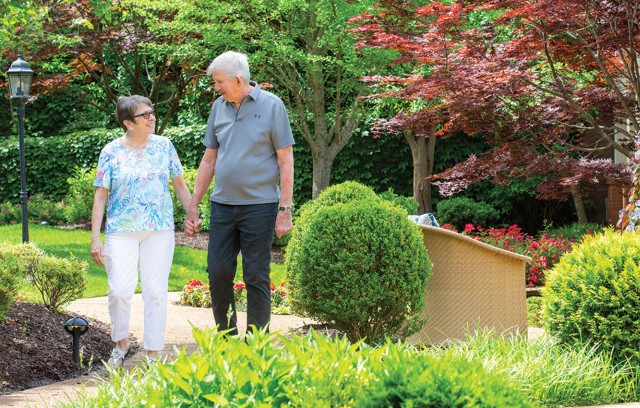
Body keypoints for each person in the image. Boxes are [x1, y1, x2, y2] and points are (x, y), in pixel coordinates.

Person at [184, 51, 294, 336]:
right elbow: (209, 160)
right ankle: (226, 336)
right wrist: (193, 206)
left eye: (219, 81)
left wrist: (285, 210)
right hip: (222, 205)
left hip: (260, 206)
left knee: (256, 274)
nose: (216, 87)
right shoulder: (218, 108)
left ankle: (256, 343)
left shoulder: (272, 106)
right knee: (218, 272)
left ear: (238, 79)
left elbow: (286, 161)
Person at [91, 95, 192, 368]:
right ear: (127, 123)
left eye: (152, 112)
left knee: (155, 292)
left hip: (159, 229)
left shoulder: (164, 146)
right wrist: (95, 238)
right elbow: (101, 195)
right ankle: (121, 343)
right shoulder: (111, 151)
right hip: (120, 230)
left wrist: (193, 214)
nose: (151, 117)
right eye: (144, 114)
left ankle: (152, 352)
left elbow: (180, 185)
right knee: (120, 291)